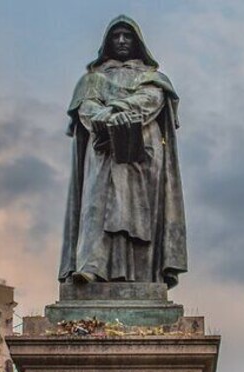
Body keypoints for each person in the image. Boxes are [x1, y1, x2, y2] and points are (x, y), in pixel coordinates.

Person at [59, 15, 187, 289]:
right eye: (115, 36)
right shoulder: (91, 80)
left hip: (143, 151)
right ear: (107, 43)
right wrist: (106, 117)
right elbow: (86, 108)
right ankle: (91, 266)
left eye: (127, 36)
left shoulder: (153, 79)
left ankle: (143, 275)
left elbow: (151, 101)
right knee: (96, 205)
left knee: (138, 210)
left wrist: (116, 110)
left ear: (137, 42)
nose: (121, 41)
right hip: (103, 148)